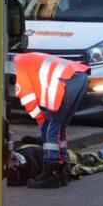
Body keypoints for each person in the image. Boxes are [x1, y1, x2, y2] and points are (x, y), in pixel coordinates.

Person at [12, 51, 90, 190]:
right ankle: (62, 169)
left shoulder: (19, 67)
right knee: (60, 127)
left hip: (65, 83)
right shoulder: (27, 59)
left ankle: (50, 173)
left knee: (50, 127)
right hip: (80, 77)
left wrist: (41, 121)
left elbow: (28, 99)